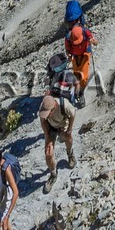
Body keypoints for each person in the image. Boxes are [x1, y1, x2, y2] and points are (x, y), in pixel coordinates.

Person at [39, 64, 77, 192]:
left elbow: (73, 114)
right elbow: (43, 120)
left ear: (54, 108)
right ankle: (53, 175)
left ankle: (70, 154)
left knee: (68, 138)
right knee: (48, 153)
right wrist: (47, 136)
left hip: (63, 123)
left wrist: (69, 129)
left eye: (48, 112)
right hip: (51, 127)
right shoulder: (45, 104)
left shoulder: (64, 105)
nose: (46, 114)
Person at [64, 17, 95, 103]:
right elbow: (67, 50)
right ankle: (77, 91)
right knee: (77, 76)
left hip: (85, 55)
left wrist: (93, 41)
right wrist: (69, 55)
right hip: (75, 57)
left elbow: (95, 41)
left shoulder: (85, 31)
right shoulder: (68, 37)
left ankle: (81, 93)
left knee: (84, 78)